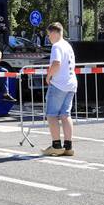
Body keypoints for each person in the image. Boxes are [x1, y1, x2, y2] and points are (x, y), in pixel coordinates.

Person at [43, 22, 77, 157]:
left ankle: (56, 145)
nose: (48, 38)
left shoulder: (56, 46)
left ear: (53, 32)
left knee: (51, 115)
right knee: (65, 115)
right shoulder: (68, 45)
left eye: (49, 34)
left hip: (59, 84)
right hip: (71, 83)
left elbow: (56, 63)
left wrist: (48, 76)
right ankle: (68, 146)